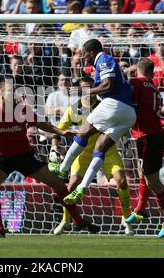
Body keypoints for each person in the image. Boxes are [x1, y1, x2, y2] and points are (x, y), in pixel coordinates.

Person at [0, 80, 99, 237]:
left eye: (14, 93)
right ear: (1, 95)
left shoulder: (22, 110)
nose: (14, 96)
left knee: (60, 186)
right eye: (9, 93)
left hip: (26, 157)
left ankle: (78, 221)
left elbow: (41, 123)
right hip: (3, 158)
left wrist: (60, 132)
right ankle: (0, 228)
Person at [49, 76, 133, 235]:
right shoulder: (74, 109)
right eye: (84, 88)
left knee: (122, 181)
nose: (89, 92)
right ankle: (65, 220)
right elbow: (58, 131)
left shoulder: (106, 105)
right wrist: (54, 148)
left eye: (90, 87)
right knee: (72, 185)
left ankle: (126, 218)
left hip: (107, 151)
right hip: (84, 153)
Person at [59, 39, 136, 204]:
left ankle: (63, 169)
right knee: (99, 148)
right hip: (128, 114)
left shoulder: (103, 59)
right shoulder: (103, 63)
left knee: (84, 131)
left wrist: (87, 91)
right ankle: (82, 188)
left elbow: (108, 85)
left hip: (115, 104)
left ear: (91, 52)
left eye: (84, 53)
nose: (83, 57)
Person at [124, 58, 164, 238]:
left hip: (147, 136)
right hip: (153, 134)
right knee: (142, 172)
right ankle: (140, 208)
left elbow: (127, 102)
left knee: (152, 180)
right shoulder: (155, 89)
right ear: (153, 73)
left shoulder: (135, 83)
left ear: (136, 71)